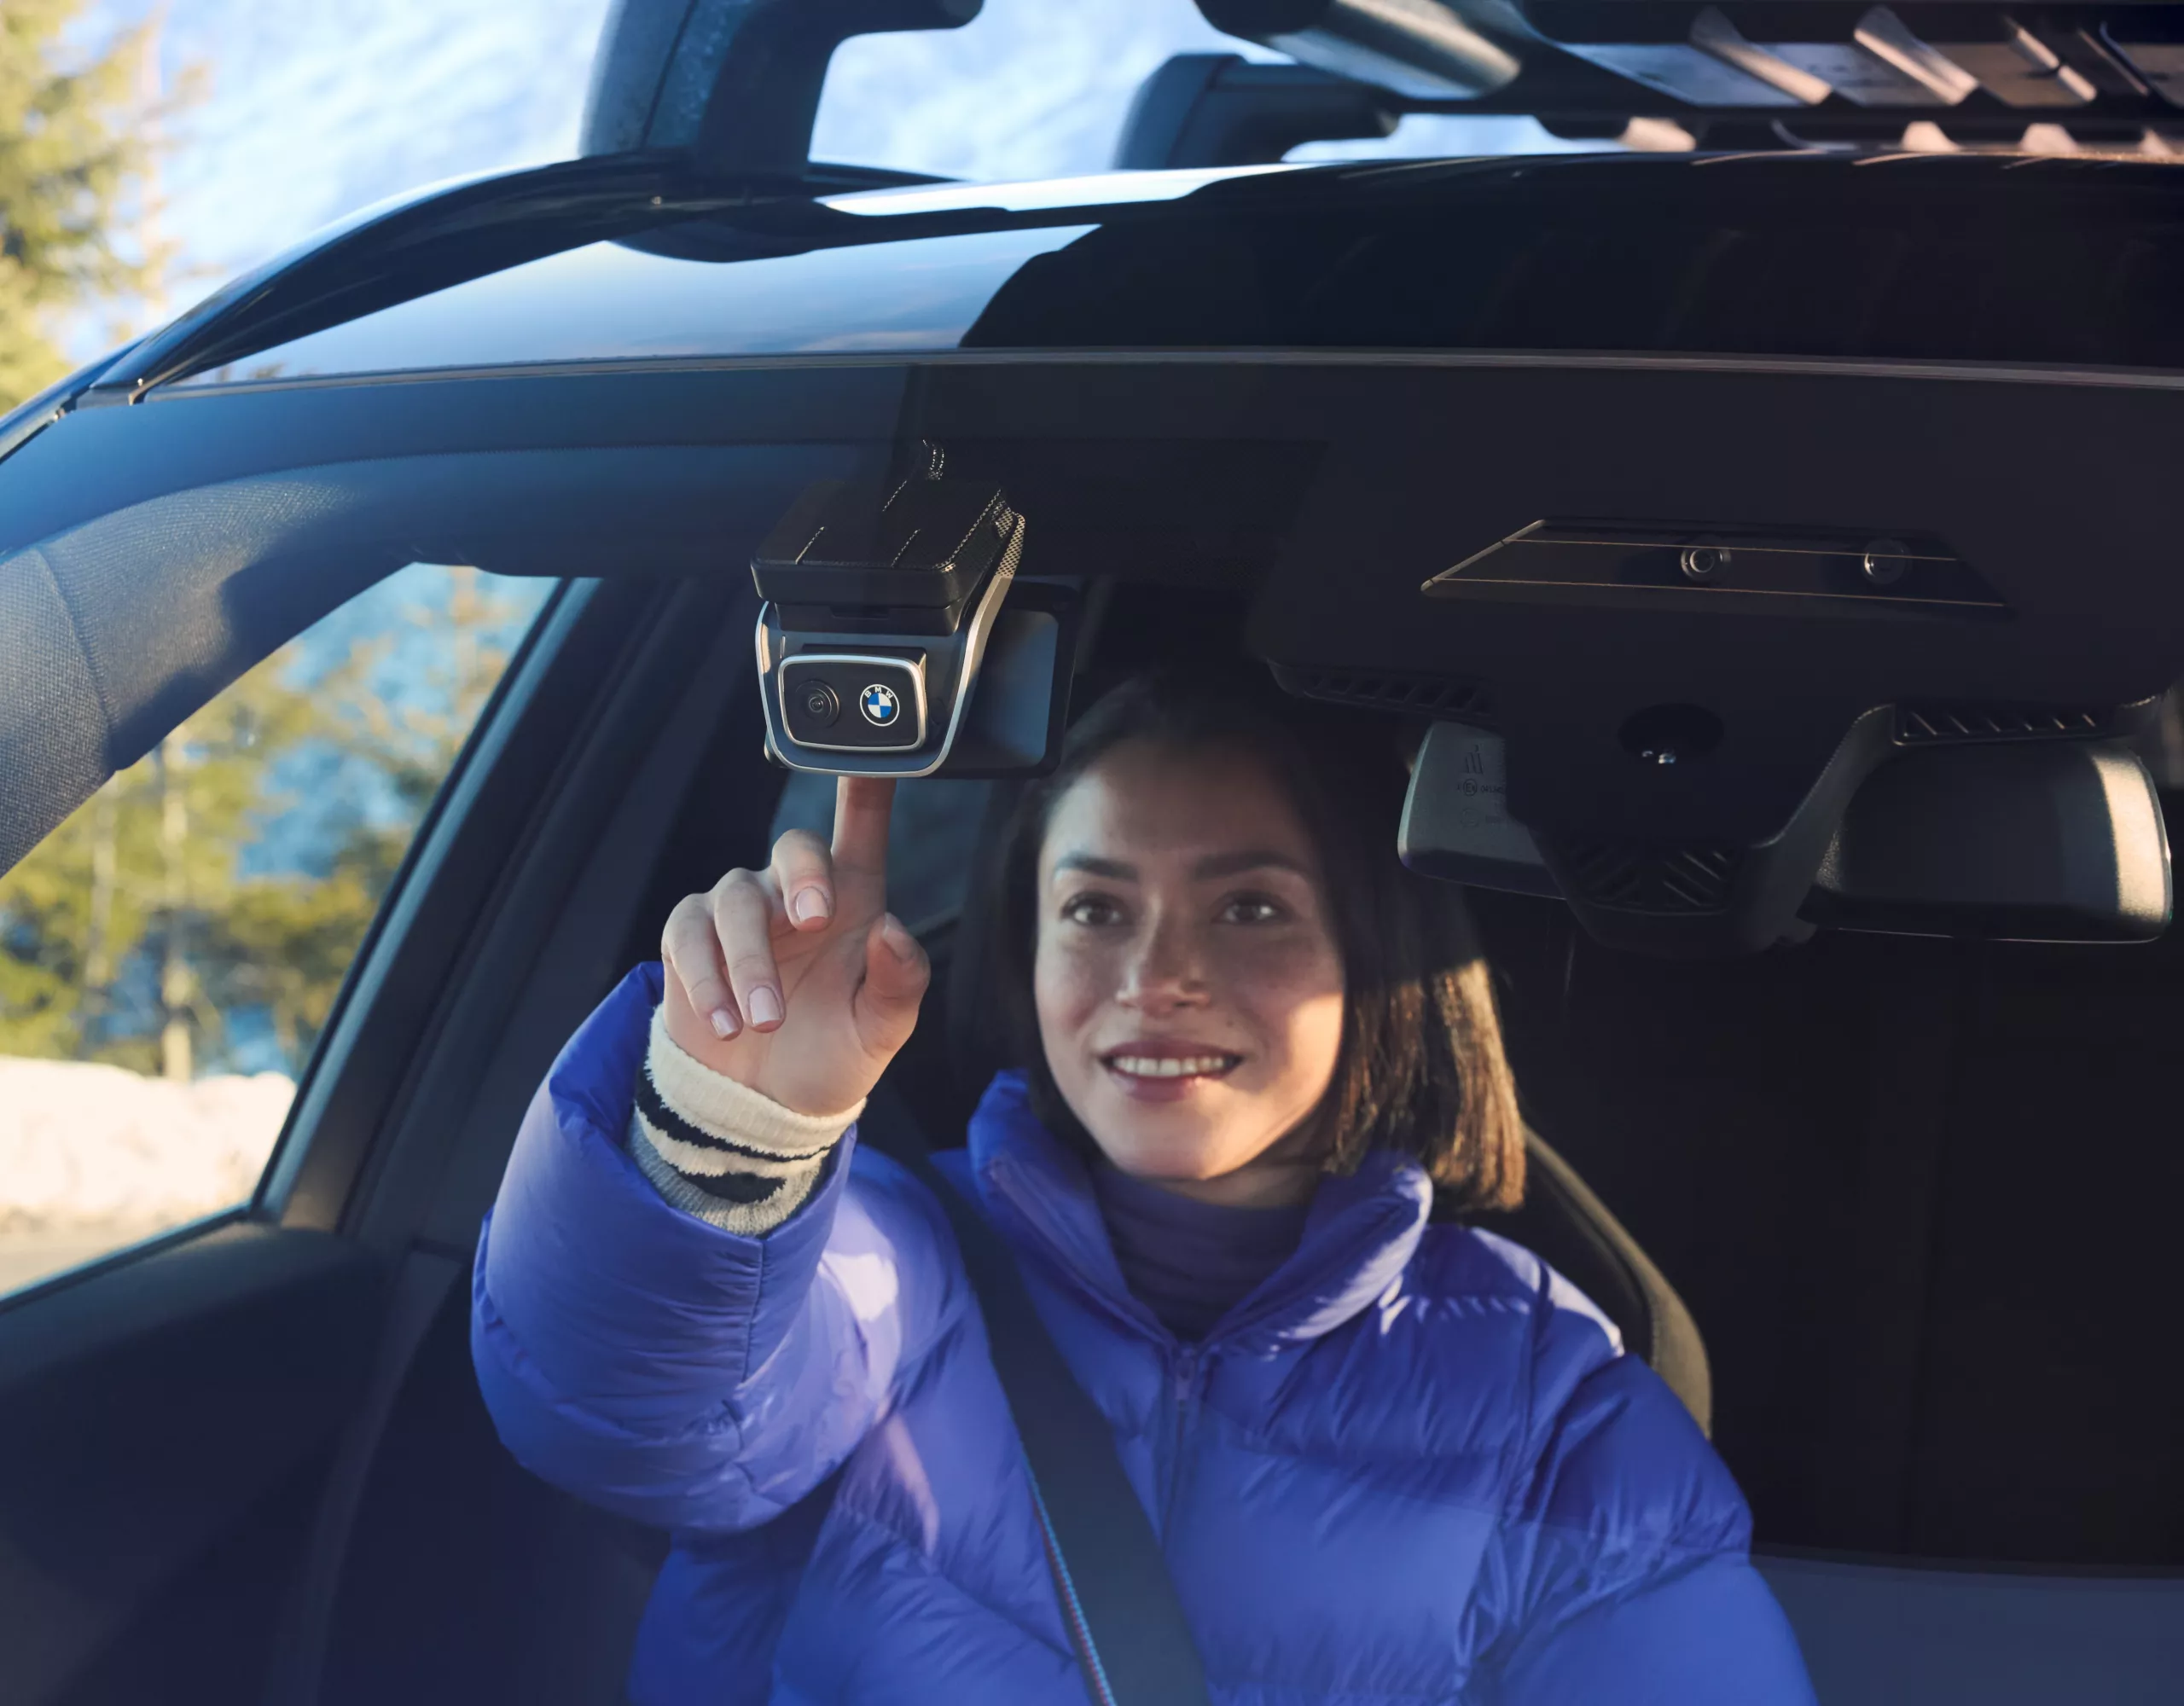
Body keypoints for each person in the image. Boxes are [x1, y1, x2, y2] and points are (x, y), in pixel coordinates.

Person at [472, 671, 1816, 1705]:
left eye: (1249, 909)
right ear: (1029, 949)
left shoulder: (1557, 1401)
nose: (1154, 974)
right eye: (1095, 908)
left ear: (1378, 950)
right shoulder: (891, 1257)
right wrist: (736, 1120)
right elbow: (626, 1412)